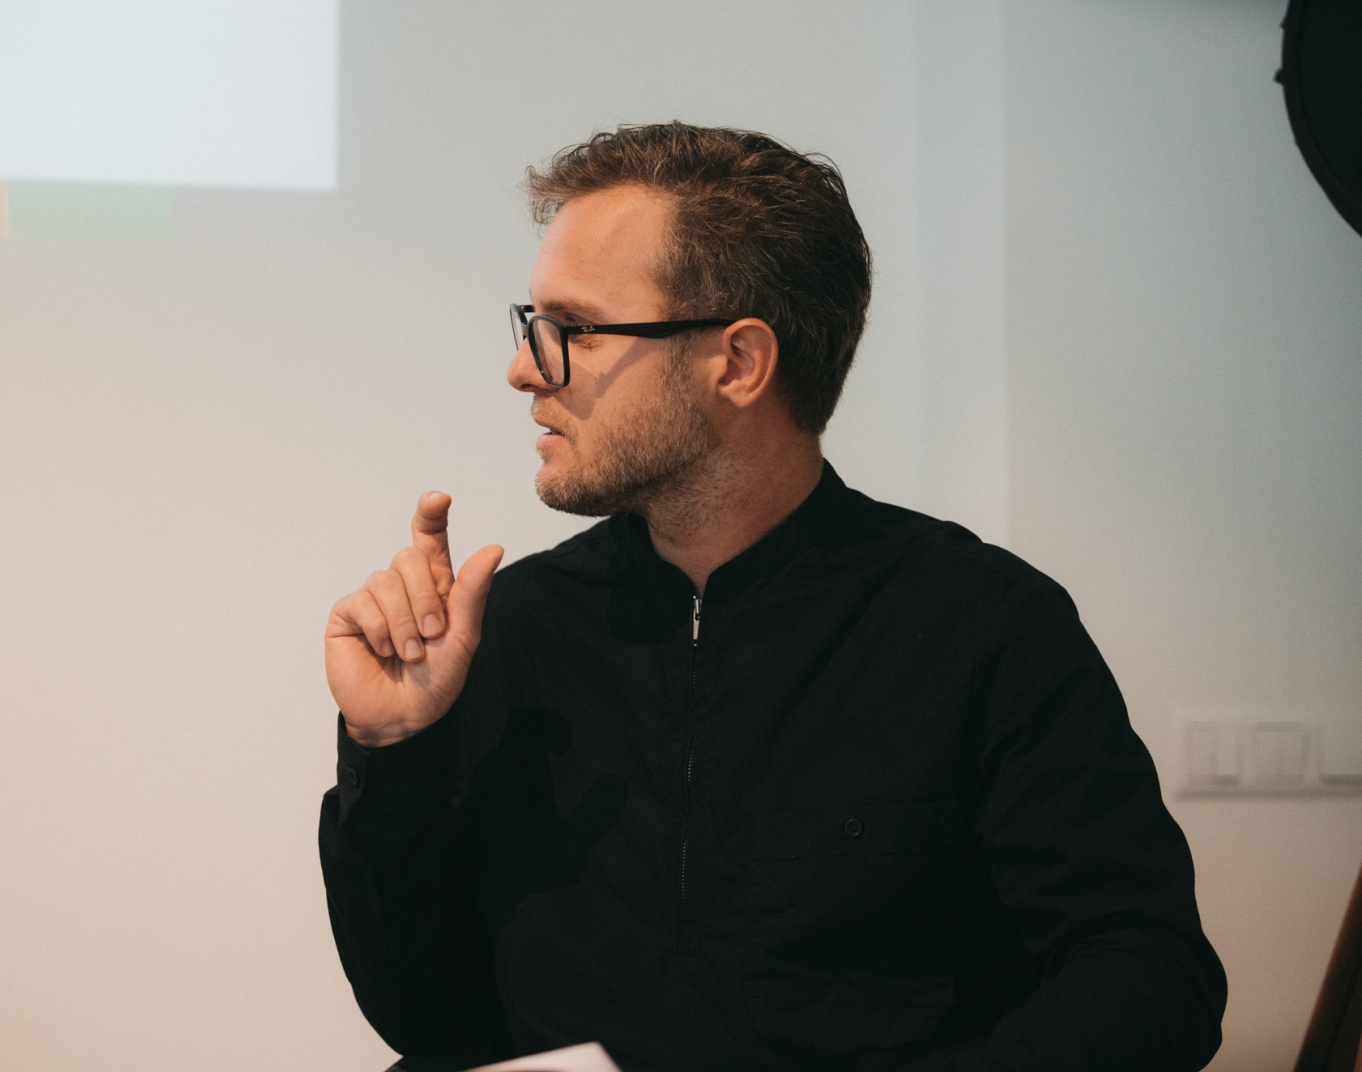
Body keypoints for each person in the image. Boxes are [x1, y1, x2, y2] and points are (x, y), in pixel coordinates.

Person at [318, 123, 1226, 1072]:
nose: (524, 369)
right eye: (532, 324)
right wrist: (393, 749)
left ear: (740, 363)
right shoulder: (513, 627)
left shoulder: (983, 625)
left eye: (575, 329)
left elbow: (1149, 978)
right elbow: (426, 1019)